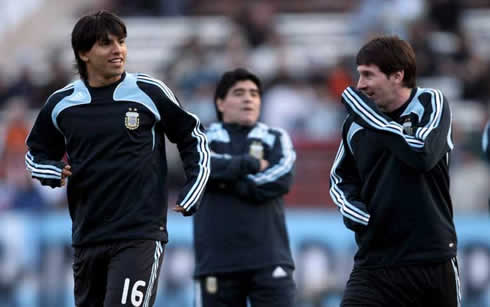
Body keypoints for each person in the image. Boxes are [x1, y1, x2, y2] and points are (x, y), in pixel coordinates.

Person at [25, 11, 210, 307]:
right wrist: (51, 170)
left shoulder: (148, 92)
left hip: (139, 235)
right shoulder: (62, 104)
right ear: (84, 53)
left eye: (121, 42)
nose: (117, 50)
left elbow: (193, 137)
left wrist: (194, 187)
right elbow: (35, 153)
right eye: (106, 43)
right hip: (87, 237)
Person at [329, 36, 461, 306]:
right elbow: (339, 178)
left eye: (368, 75)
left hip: (432, 260)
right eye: (359, 75)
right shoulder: (355, 124)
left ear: (397, 75)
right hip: (375, 263)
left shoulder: (429, 103)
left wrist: (370, 118)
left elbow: (421, 154)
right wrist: (355, 210)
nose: (360, 85)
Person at [193, 68, 296, 307]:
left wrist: (224, 179)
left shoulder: (276, 136)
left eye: (254, 93)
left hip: (269, 260)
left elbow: (281, 179)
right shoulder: (201, 137)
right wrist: (249, 165)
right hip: (216, 263)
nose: (248, 98)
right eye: (239, 93)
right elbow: (199, 167)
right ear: (220, 102)